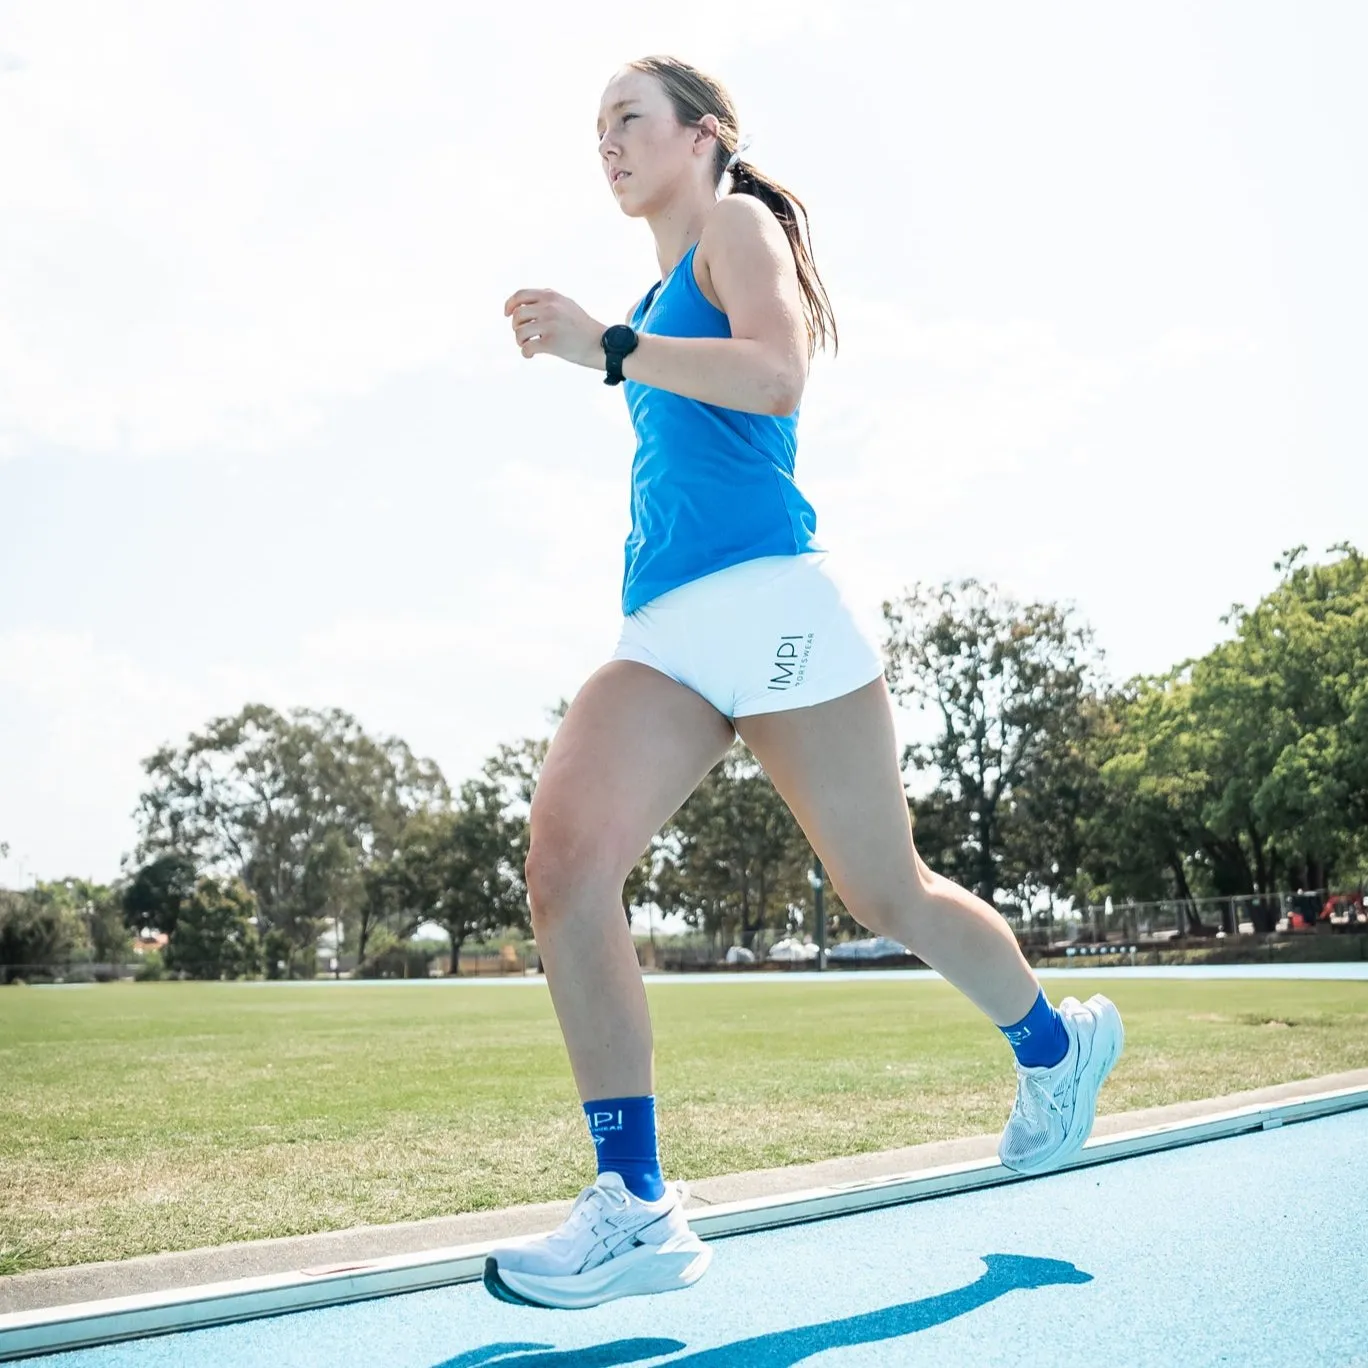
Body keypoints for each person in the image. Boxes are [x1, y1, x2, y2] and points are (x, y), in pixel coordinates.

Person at [487, 55, 1124, 1311]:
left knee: (887, 892)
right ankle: (637, 1204)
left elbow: (778, 376)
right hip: (665, 629)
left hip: (776, 607)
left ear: (704, 135)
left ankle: (1057, 1049)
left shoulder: (737, 224)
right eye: (594, 129)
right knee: (563, 866)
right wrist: (618, 340)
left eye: (628, 120)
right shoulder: (656, 287)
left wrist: (609, 347)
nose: (606, 143)